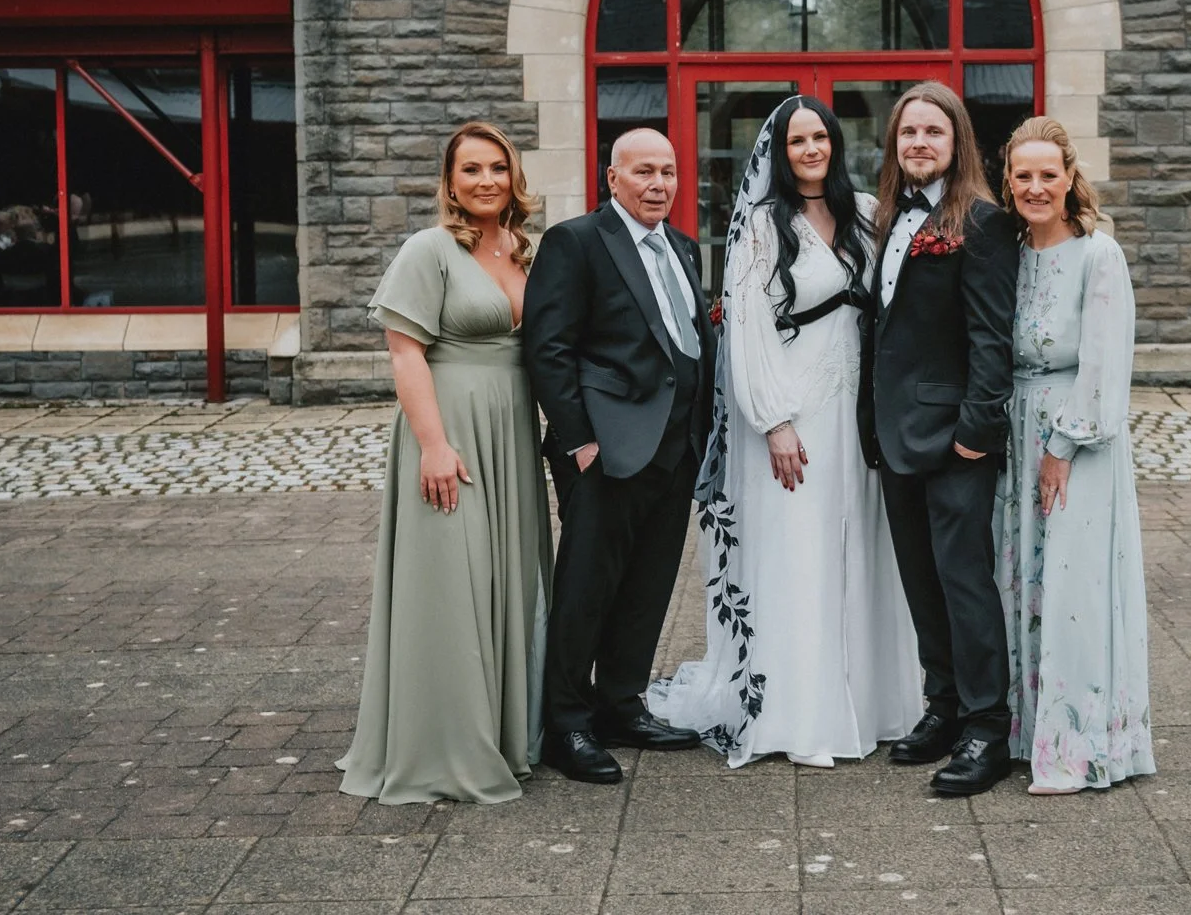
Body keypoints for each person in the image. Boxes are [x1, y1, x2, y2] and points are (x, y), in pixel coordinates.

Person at [649, 97, 919, 768]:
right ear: (779, 150)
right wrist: (773, 420)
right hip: (796, 408)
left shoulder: (860, 212)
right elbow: (747, 329)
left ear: (834, 143)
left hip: (854, 405)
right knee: (802, 547)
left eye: (819, 137)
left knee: (858, 540)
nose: (809, 149)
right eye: (797, 139)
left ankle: (870, 698)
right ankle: (798, 710)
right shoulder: (763, 227)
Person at [337, 121, 552, 805]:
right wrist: (432, 442)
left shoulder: (524, 249)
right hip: (451, 431)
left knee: (507, 576)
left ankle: (507, 732)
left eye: (496, 167)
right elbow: (404, 352)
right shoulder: (427, 249)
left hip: (511, 430)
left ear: (512, 175)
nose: (485, 180)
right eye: (470, 170)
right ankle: (443, 746)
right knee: (452, 583)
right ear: (450, 181)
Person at [523, 128, 713, 784]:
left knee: (650, 581)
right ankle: (567, 722)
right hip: (604, 451)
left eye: (668, 172)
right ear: (613, 178)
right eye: (644, 172)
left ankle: (621, 701)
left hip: (676, 446)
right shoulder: (576, 242)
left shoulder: (683, 247)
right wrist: (579, 441)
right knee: (587, 585)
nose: (659, 184)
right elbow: (549, 347)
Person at [860, 80, 1020, 796]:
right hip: (894, 437)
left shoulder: (981, 222)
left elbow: (992, 338)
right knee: (922, 583)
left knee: (966, 586)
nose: (919, 142)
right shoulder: (890, 219)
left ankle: (988, 726)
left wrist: (976, 435)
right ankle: (944, 705)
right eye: (908, 132)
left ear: (957, 144)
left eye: (933, 131)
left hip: (955, 439)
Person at [996, 116, 1154, 795]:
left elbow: (1103, 364)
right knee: (1019, 580)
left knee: (1072, 584)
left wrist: (1062, 443)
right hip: (1013, 426)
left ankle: (1075, 744)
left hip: (1075, 440)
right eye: (1023, 175)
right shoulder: (1009, 252)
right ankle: (1025, 729)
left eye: (1047, 175)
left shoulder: (1099, 254)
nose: (1036, 187)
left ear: (1069, 179)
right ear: (1008, 181)